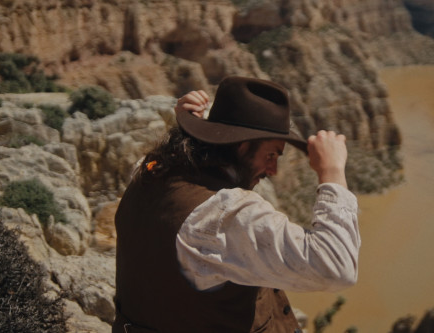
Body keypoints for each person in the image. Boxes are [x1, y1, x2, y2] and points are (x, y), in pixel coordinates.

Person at [113, 76, 360, 333]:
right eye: (271, 155)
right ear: (242, 147)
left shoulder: (151, 171)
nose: (273, 170)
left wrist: (191, 128)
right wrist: (332, 172)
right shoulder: (221, 216)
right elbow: (337, 267)